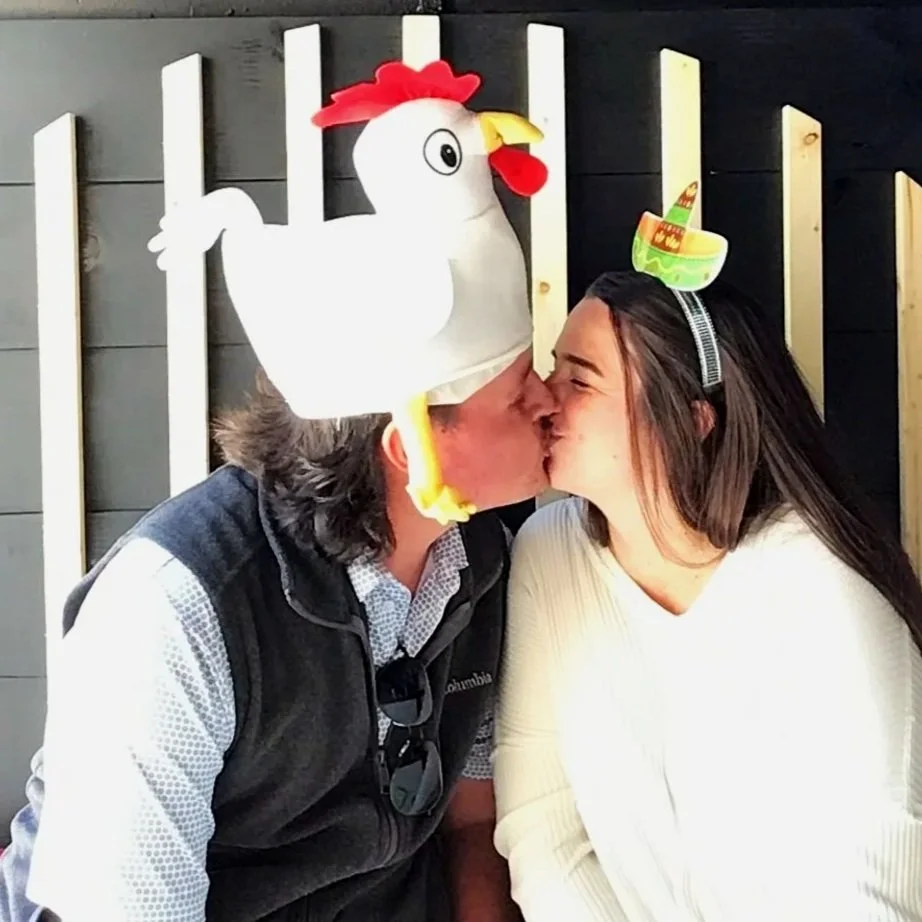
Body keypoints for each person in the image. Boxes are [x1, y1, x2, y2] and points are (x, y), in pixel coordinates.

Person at [0, 59, 556, 922]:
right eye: (520, 394)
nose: (551, 402)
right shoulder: (177, 610)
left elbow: (470, 823)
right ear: (413, 447)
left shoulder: (478, 554)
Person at [493, 184, 922, 921]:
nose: (544, 398)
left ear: (691, 420)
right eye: (553, 368)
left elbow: (879, 885)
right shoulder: (548, 554)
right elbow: (543, 834)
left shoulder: (822, 588)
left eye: (580, 379)